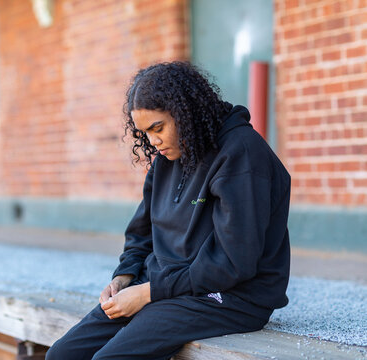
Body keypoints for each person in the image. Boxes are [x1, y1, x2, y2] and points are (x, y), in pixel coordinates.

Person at [46, 61, 291, 360]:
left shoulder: (241, 155)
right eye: (144, 133)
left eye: (158, 128)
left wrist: (148, 293)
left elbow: (233, 263)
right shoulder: (168, 157)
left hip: (231, 297)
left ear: (185, 113)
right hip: (169, 288)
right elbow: (142, 232)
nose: (152, 141)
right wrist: (125, 275)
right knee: (63, 355)